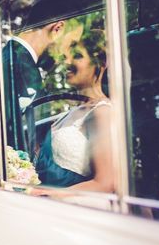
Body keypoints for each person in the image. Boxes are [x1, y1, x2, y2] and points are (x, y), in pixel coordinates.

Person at [35, 29, 114, 192]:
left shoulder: (102, 112)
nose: (67, 62)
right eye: (66, 57)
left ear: (100, 63)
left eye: (77, 56)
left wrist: (46, 195)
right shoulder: (70, 113)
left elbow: (105, 183)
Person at [3, 0, 78, 154]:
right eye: (71, 44)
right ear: (58, 29)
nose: (68, 55)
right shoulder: (18, 65)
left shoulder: (11, 57)